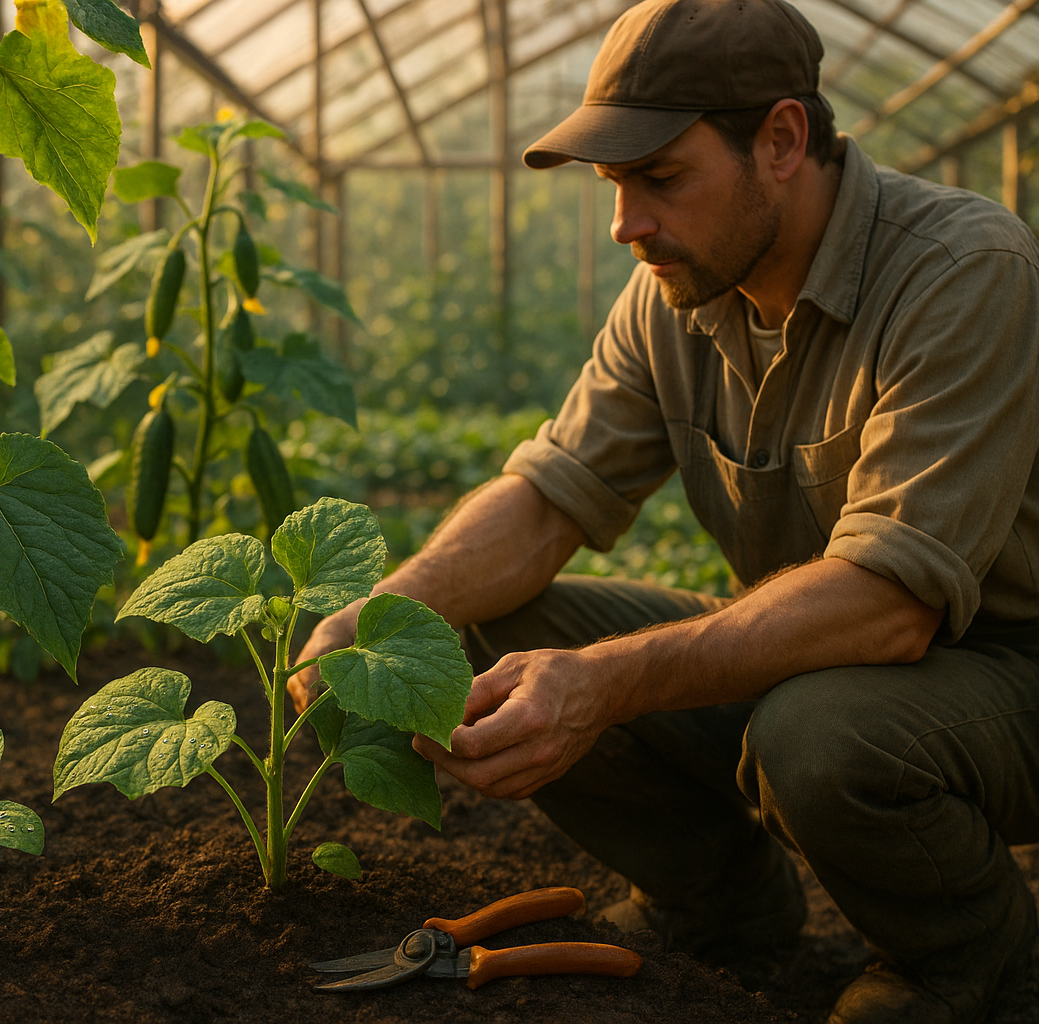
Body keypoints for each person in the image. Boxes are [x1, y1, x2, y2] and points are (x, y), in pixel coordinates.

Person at [288, 1, 1039, 1022]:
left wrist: (606, 683)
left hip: (1005, 672)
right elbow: (548, 497)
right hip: (828, 662)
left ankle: (966, 959)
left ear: (782, 140)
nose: (625, 224)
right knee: (488, 629)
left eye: (662, 178)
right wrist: (383, 616)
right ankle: (723, 906)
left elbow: (891, 606)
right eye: (615, 184)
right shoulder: (679, 292)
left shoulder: (962, 270)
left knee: (818, 736)